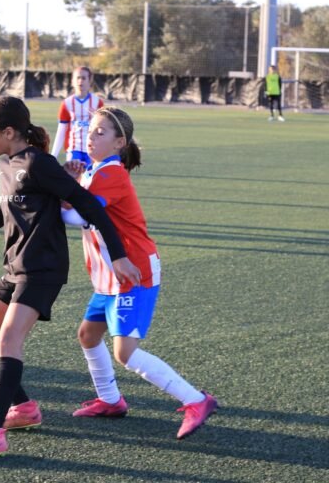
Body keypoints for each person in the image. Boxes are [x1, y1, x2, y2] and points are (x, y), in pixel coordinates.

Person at [0, 96, 141, 461]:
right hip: (15, 267)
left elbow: (88, 205)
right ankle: (24, 408)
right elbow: (5, 208)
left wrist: (118, 255)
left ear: (8, 131)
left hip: (43, 268)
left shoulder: (39, 163)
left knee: (8, 337)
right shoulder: (7, 163)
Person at [61, 106, 218, 439]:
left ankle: (196, 400)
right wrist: (69, 182)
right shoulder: (94, 171)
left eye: (100, 133)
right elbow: (77, 208)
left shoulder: (111, 173)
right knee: (88, 335)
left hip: (134, 272)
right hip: (109, 278)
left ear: (120, 142)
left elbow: (78, 217)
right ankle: (110, 400)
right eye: (90, 130)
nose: (91, 137)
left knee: (125, 352)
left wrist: (50, 192)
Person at [50, 66, 104, 165]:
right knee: (72, 178)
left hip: (93, 149)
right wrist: (53, 156)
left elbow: (104, 129)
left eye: (83, 78)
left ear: (90, 80)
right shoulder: (66, 103)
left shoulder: (98, 102)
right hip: (73, 150)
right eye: (78, 78)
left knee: (90, 179)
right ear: (72, 81)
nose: (80, 81)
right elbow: (61, 131)